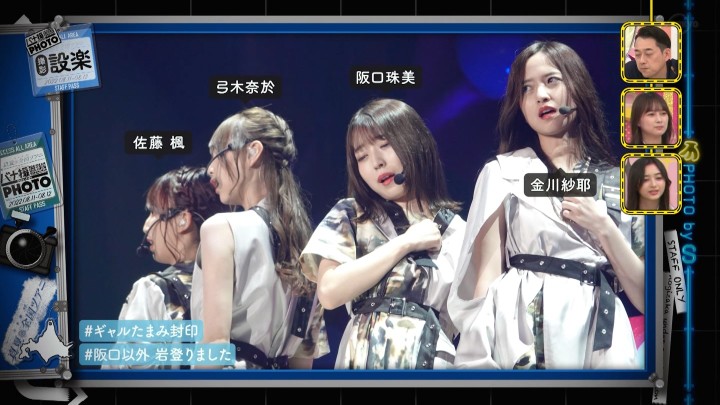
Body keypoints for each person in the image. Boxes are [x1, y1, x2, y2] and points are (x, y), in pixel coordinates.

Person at [448, 41, 645, 370]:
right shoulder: (503, 172)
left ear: (577, 87)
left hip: (599, 334)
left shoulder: (622, 181)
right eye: (526, 88)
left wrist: (604, 227)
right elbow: (486, 281)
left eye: (551, 80)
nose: (540, 95)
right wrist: (478, 361)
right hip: (522, 333)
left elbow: (649, 298)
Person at [299, 98, 466, 369]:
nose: (376, 162)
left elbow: (474, 321)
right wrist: (405, 243)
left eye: (385, 145)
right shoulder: (351, 214)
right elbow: (329, 292)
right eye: (362, 156)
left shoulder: (459, 231)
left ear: (415, 142)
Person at [192, 107, 328, 369]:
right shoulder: (310, 249)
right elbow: (302, 365)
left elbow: (214, 346)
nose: (210, 169)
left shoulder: (221, 229)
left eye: (217, 154)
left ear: (253, 152)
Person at [110, 166, 228, 369]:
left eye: (154, 213)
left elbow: (128, 374)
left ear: (183, 219)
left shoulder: (152, 290)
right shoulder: (241, 280)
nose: (145, 226)